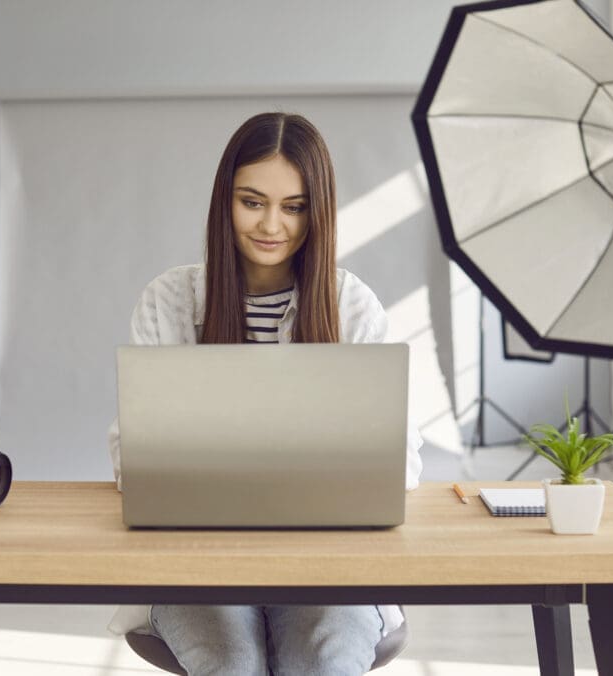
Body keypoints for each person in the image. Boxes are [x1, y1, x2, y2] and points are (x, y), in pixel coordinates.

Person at [107, 112, 423, 676]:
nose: (271, 224)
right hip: (196, 561)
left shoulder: (352, 306)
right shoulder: (169, 300)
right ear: (224, 203)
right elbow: (131, 458)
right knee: (232, 663)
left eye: (294, 206)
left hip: (330, 564)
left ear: (317, 211)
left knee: (323, 662)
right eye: (252, 202)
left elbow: (401, 462)